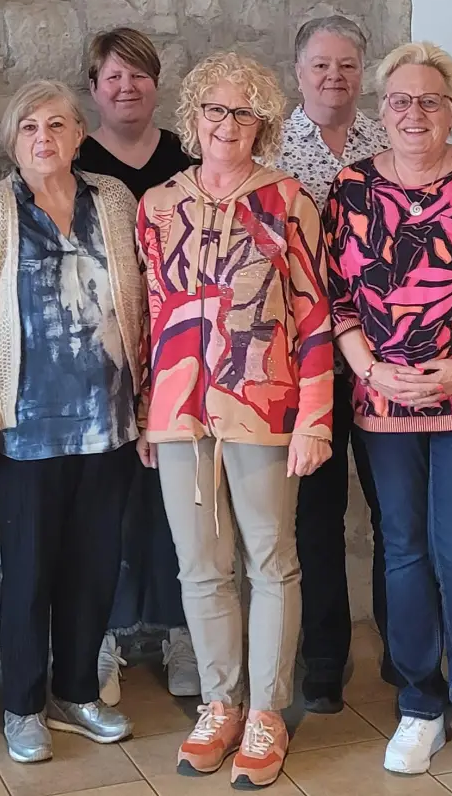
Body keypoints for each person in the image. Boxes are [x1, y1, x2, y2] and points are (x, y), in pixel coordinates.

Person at [324, 41, 452, 787]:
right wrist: (371, 369)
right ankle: (419, 704)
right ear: (383, 111)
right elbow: (338, 295)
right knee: (404, 550)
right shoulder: (350, 188)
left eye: (430, 100)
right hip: (381, 401)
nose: (416, 113)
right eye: (402, 101)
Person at [138, 51, 334, 790]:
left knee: (270, 559)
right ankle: (219, 703)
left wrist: (315, 416)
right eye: (214, 111)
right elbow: (150, 316)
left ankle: (267, 711)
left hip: (266, 407)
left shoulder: (288, 201)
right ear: (193, 120)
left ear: (264, 125)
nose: (227, 125)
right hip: (177, 413)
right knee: (200, 567)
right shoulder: (157, 204)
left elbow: (316, 315)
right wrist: (146, 411)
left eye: (242, 113)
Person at [0, 80, 145, 764]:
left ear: (79, 135)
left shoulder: (112, 201)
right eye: (29, 127)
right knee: (27, 572)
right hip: (25, 430)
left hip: (107, 424)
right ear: (14, 141)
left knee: (92, 568)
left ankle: (77, 691)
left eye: (57, 125)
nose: (44, 138)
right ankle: (24, 705)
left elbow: (141, 306)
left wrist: (145, 407)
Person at [73, 27, 199, 705]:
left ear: (157, 84)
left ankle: (184, 633)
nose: (126, 88)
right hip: (103, 360)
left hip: (182, 358)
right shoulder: (72, 161)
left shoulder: (188, 159)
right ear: (93, 88)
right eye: (112, 78)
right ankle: (104, 638)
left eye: (138, 76)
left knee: (180, 500)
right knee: (106, 504)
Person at [274, 14, 395, 712]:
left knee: (392, 513)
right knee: (314, 517)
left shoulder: (390, 140)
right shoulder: (270, 149)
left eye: (347, 65)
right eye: (321, 65)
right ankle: (324, 658)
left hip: (382, 360)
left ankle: (403, 650)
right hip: (304, 364)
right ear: (299, 72)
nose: (334, 77)